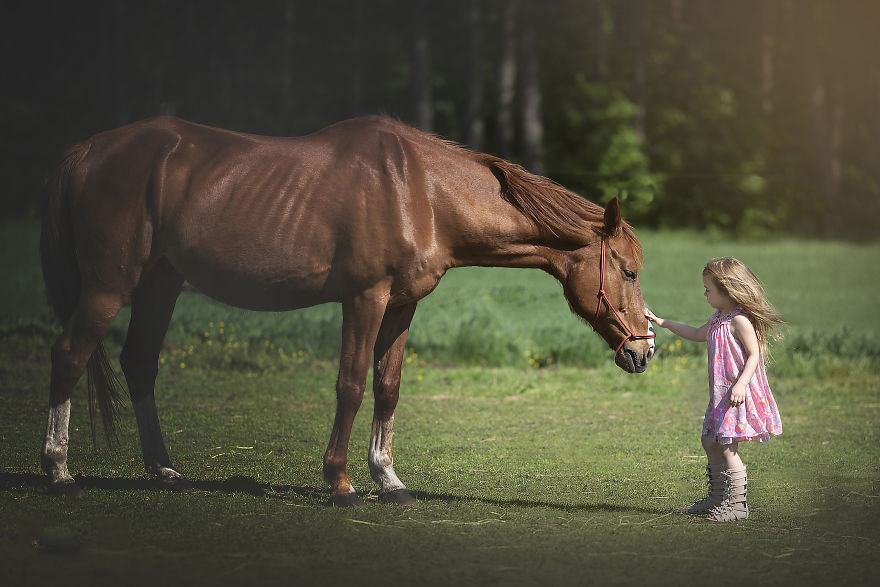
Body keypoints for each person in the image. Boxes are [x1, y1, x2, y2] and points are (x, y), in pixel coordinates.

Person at [645, 257, 783, 522]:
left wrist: (741, 384)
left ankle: (738, 505)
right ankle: (717, 499)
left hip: (734, 396)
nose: (705, 294)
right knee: (709, 441)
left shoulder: (739, 321)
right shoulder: (718, 319)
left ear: (727, 290)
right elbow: (697, 334)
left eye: (708, 289)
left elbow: (754, 356)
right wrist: (663, 322)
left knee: (727, 447)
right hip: (719, 397)